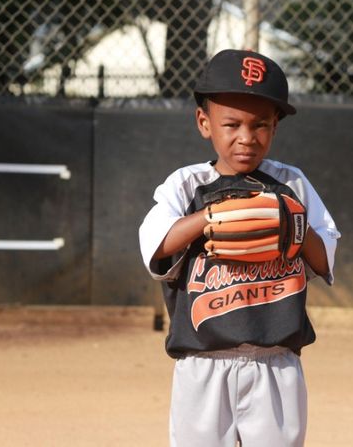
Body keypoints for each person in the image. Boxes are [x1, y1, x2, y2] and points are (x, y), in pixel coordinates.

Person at [138, 49, 340, 447]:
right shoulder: (185, 185)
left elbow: (324, 257)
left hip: (276, 360)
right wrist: (213, 218)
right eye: (231, 124)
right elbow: (157, 245)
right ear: (204, 123)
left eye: (260, 125)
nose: (247, 137)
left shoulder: (292, 185)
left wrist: (292, 223)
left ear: (276, 127)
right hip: (202, 361)